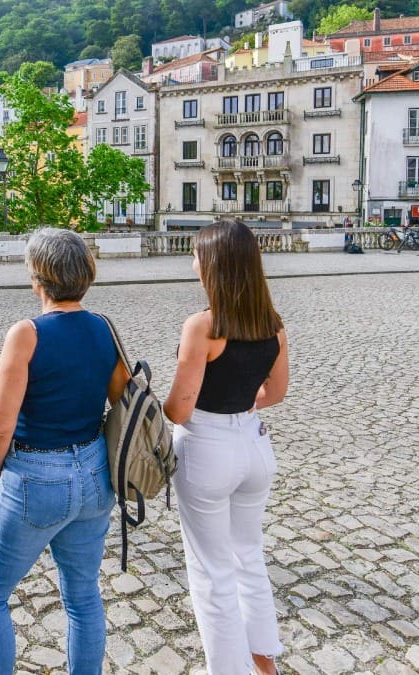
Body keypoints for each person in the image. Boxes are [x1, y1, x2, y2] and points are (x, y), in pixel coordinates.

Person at [0, 228, 128, 674]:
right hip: (95, 474)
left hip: (37, 474)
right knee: (82, 595)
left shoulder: (27, 333)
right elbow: (121, 400)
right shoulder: (103, 328)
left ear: (38, 277)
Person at [163, 219, 290, 675]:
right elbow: (275, 393)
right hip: (254, 448)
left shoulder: (203, 327)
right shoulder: (272, 326)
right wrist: (241, 403)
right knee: (249, 558)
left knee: (211, 571)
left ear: (213, 266)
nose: (192, 261)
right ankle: (264, 662)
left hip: (208, 448)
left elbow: (179, 409)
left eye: (197, 255)